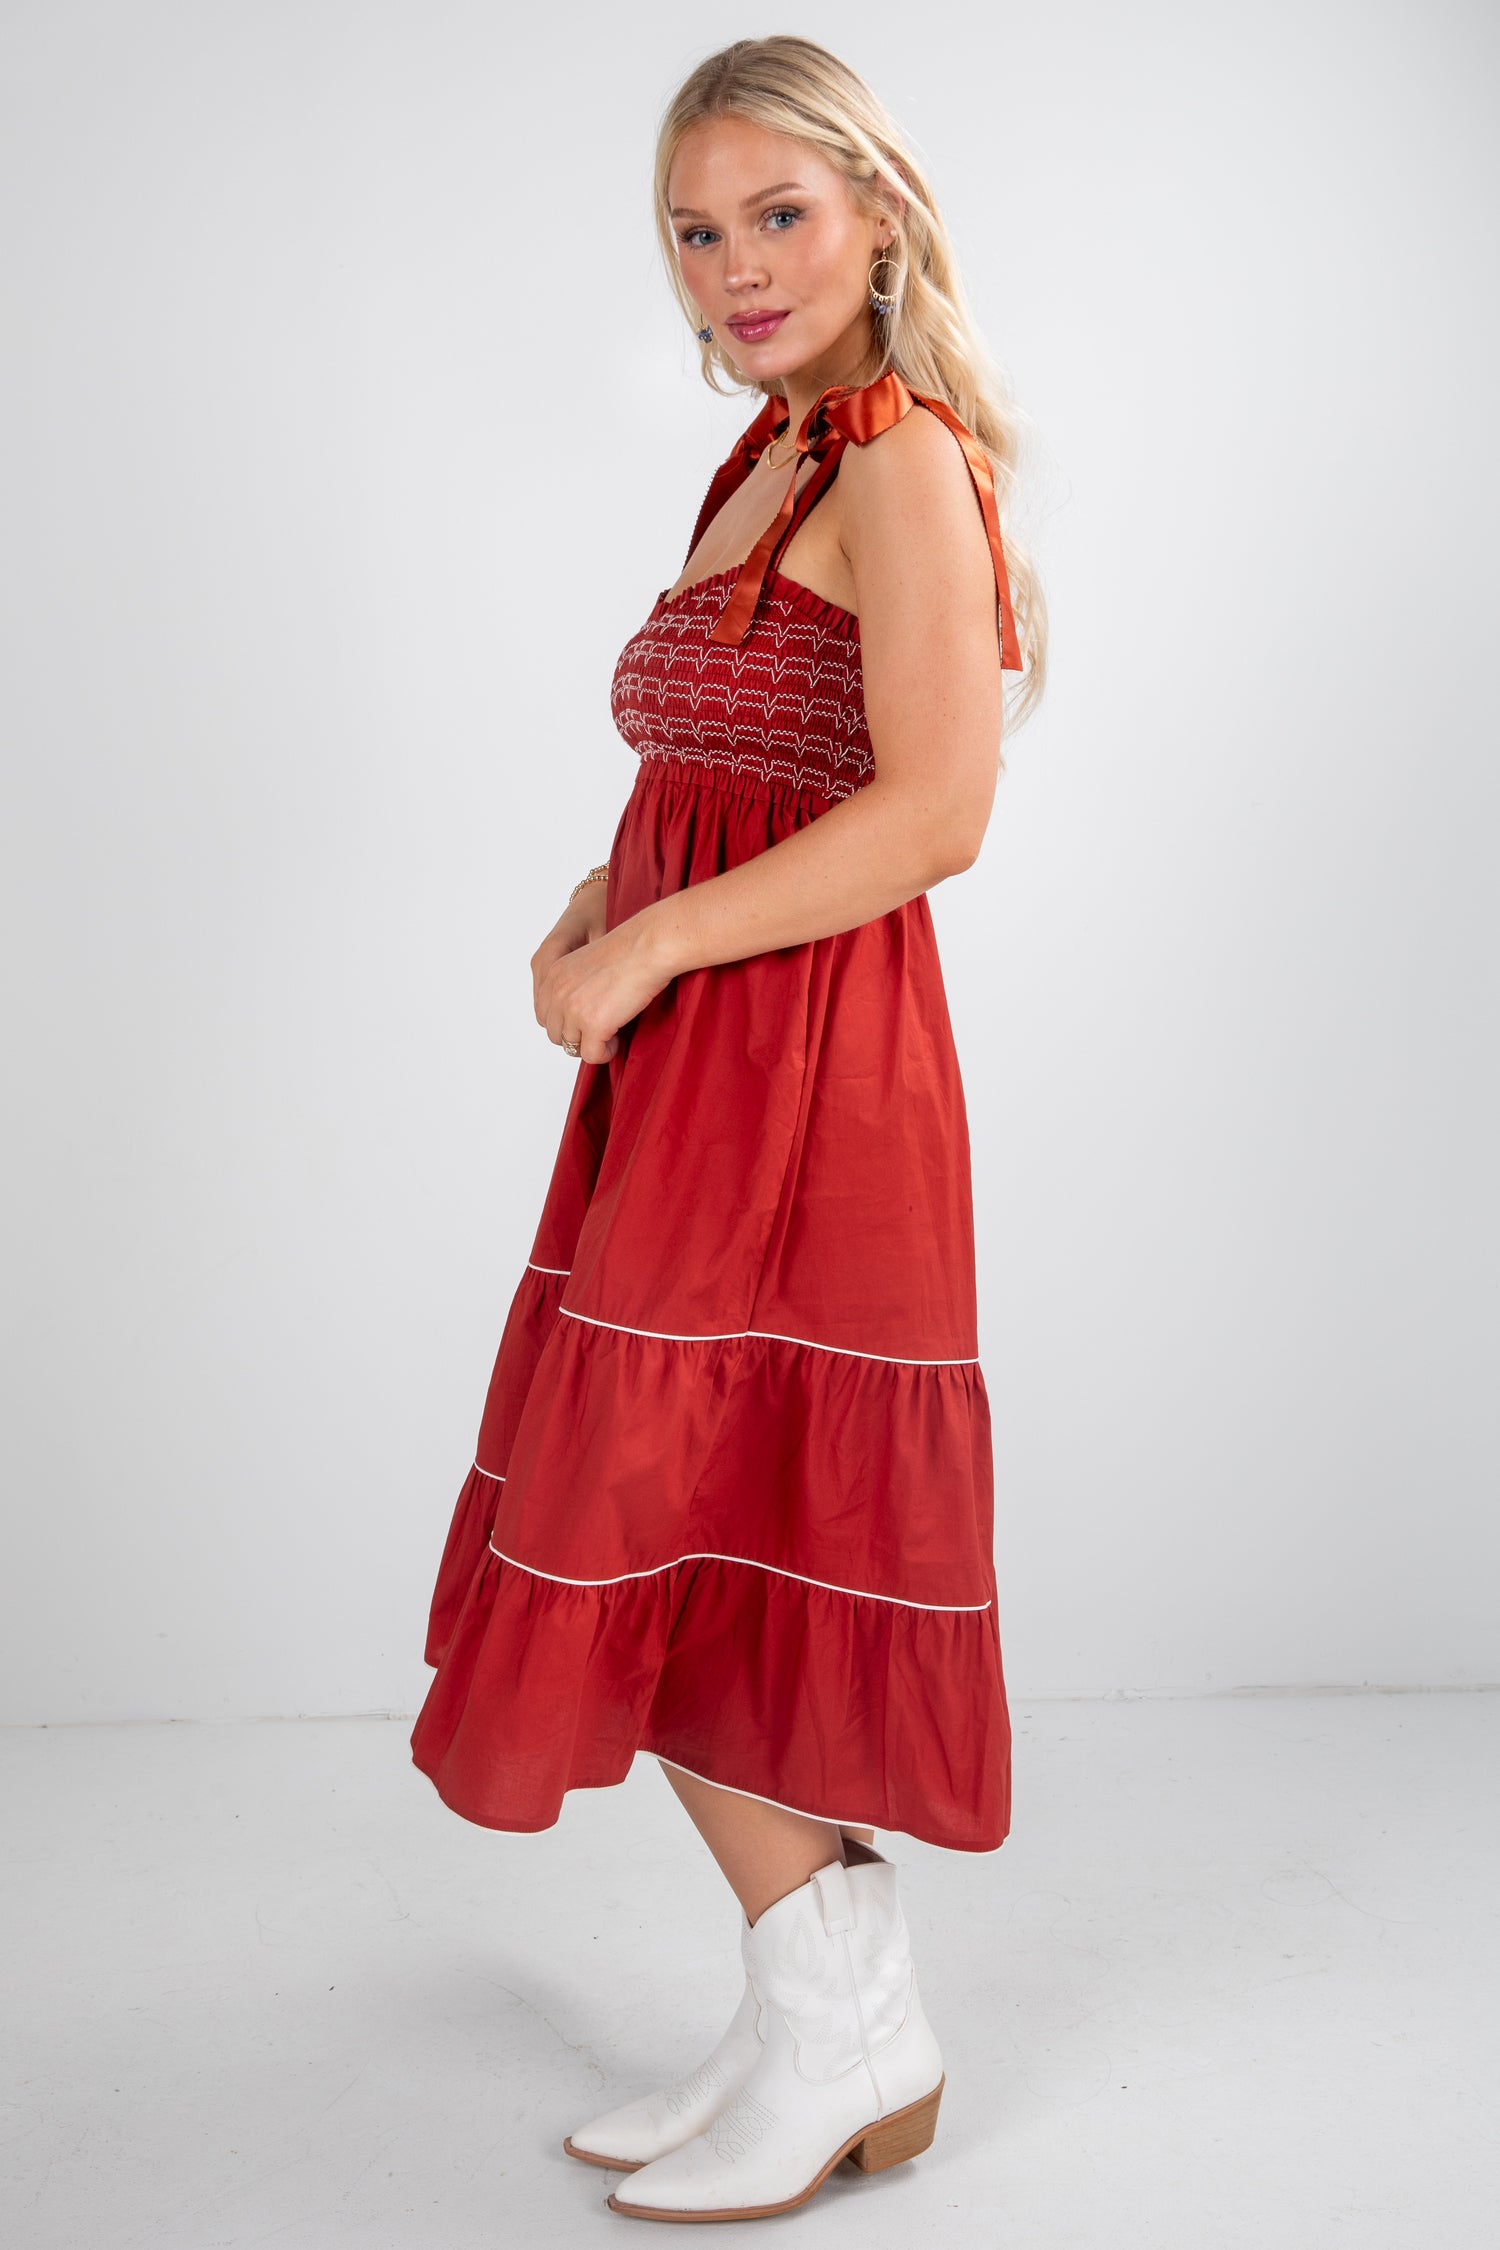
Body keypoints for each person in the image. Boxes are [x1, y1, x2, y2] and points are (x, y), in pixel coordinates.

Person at [410, 33, 1048, 2224]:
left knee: (677, 1520)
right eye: (699, 227)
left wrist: (654, 957)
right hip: (697, 1066)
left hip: (805, 1082)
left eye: (780, 213)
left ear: (877, 214)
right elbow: (735, 757)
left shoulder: (895, 452)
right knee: (673, 1529)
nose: (738, 263)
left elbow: (939, 811)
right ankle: (816, 2016)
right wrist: (602, 910)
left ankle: (847, 2010)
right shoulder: (769, 450)